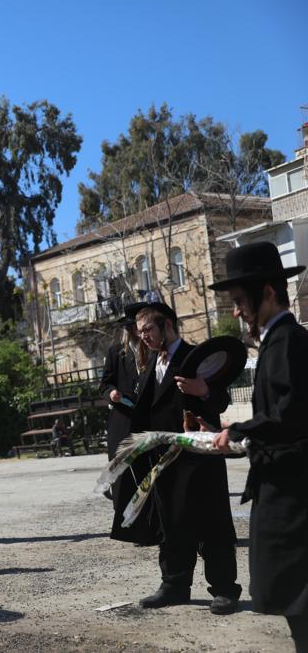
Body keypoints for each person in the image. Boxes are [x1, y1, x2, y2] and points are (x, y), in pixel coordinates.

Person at [209, 241, 308, 650]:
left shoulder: (287, 341)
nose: (235, 311)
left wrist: (238, 429)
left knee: (295, 593)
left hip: (294, 494)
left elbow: (290, 415)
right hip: (283, 487)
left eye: (239, 301)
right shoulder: (276, 341)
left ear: (268, 292)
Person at [128, 303, 241, 615]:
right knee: (172, 523)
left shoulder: (197, 355)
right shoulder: (152, 364)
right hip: (164, 459)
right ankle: (174, 584)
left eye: (148, 330)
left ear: (167, 326)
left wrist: (204, 390)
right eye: (140, 333)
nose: (144, 338)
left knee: (212, 523)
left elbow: (221, 399)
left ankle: (224, 589)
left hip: (199, 457)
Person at [100, 303, 155, 517]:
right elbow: (104, 384)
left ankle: (150, 521)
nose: (137, 332)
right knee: (122, 475)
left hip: (147, 419)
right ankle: (127, 520)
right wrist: (112, 393)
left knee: (146, 473)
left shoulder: (153, 350)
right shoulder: (116, 352)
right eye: (133, 327)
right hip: (122, 419)